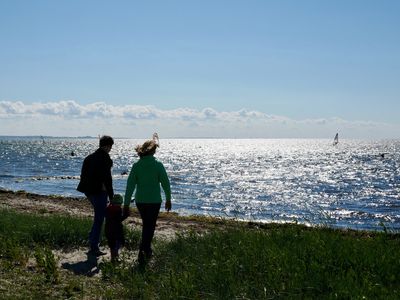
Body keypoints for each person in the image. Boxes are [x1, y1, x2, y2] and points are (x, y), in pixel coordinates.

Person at [124, 138, 171, 264]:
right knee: (150, 226)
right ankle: (143, 251)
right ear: (153, 151)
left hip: (140, 201)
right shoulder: (158, 165)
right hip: (154, 200)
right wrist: (168, 199)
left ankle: (146, 249)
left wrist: (126, 204)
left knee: (147, 224)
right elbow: (166, 183)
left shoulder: (137, 166)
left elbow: (130, 186)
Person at [77, 135, 115, 256]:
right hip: (100, 191)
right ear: (108, 146)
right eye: (110, 146)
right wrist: (111, 195)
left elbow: (83, 176)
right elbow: (108, 179)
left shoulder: (89, 158)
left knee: (98, 216)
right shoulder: (106, 158)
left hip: (88, 191)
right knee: (99, 219)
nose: (111, 149)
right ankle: (94, 246)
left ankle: (92, 239)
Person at [105, 194, 128, 262]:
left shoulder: (108, 209)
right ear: (120, 203)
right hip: (117, 230)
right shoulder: (118, 210)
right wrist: (125, 216)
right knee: (118, 243)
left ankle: (113, 258)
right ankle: (115, 256)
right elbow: (118, 220)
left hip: (108, 229)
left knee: (111, 244)